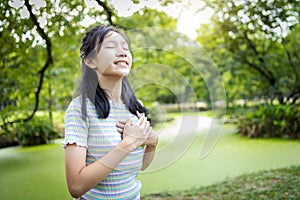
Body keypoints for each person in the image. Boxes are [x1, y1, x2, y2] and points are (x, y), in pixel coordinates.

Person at [62, 25, 158, 200]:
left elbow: (137, 167)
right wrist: (128, 144)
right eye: (111, 47)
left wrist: (152, 144)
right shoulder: (80, 109)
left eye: (125, 48)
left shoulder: (136, 106)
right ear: (90, 61)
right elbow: (76, 186)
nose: (122, 52)